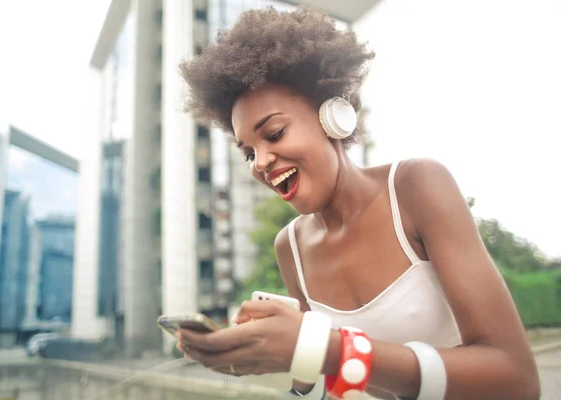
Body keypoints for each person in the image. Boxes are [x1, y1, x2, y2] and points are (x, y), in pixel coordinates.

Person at [175, 6, 540, 400]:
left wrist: (330, 348)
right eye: (248, 152)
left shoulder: (417, 187)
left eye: (275, 133)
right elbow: (321, 382)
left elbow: (515, 379)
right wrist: (262, 354)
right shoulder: (290, 247)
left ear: (333, 116)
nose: (261, 163)